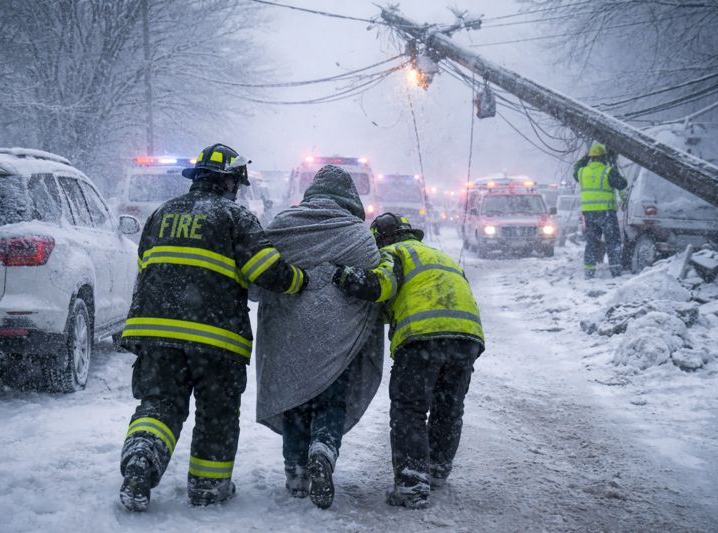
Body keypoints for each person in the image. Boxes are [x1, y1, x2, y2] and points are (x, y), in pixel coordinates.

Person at [117, 143, 308, 512]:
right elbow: (265, 271)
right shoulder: (235, 218)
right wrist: (300, 280)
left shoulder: (162, 213)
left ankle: (141, 461)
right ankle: (208, 486)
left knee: (160, 404)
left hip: (155, 334)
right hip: (215, 339)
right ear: (230, 183)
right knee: (216, 413)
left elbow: (146, 262)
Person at [331, 213, 485, 509]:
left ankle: (413, 483)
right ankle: (437, 470)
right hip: (468, 337)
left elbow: (381, 285)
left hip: (422, 337)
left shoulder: (393, 253)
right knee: (448, 408)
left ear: (381, 239)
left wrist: (344, 275)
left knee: (410, 410)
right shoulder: (440, 256)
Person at [253, 165, 384, 509]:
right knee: (330, 402)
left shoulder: (282, 226)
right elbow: (374, 281)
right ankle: (323, 449)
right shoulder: (357, 233)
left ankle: (296, 472)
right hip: (336, 342)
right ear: (349, 198)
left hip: (287, 338)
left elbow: (257, 274)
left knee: (294, 402)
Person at [573, 143, 628, 278]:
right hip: (606, 213)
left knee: (591, 242)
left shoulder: (582, 172)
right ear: (604, 157)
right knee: (612, 241)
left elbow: (576, 168)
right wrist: (614, 164)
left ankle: (589, 271)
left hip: (589, 214)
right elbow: (622, 184)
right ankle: (615, 270)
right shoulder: (608, 171)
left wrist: (586, 156)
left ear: (591, 157)